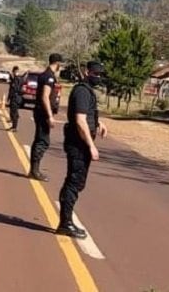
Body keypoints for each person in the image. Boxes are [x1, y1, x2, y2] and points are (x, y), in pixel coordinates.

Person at [56, 60, 108, 239]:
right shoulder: (82, 91)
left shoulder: (86, 91)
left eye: (100, 74)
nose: (98, 77)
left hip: (81, 144)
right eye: (95, 74)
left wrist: (99, 123)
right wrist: (91, 146)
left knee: (76, 182)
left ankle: (66, 219)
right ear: (87, 72)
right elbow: (79, 120)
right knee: (74, 182)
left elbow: (86, 115)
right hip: (78, 145)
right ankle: (65, 223)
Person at [29, 53, 63, 181]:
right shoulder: (49, 77)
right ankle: (35, 170)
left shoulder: (45, 74)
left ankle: (33, 169)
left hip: (40, 112)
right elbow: (45, 96)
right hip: (43, 114)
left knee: (39, 140)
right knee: (43, 141)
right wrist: (50, 115)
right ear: (58, 63)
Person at [1, 66, 25, 132]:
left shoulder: (17, 79)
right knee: (13, 112)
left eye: (14, 72)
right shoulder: (16, 79)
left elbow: (15, 89)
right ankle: (13, 126)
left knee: (14, 113)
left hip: (16, 98)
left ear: (15, 71)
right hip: (15, 98)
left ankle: (14, 127)